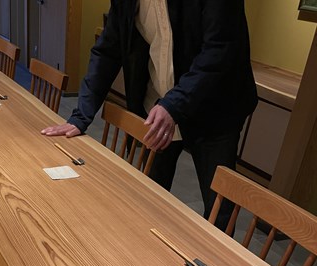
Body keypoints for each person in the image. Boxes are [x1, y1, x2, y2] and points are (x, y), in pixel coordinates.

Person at [41, 0, 258, 230]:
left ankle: (214, 254)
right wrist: (81, 116)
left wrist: (174, 105)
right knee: (150, 195)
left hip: (215, 108)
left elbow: (220, 50)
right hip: (159, 104)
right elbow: (108, 50)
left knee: (218, 209)